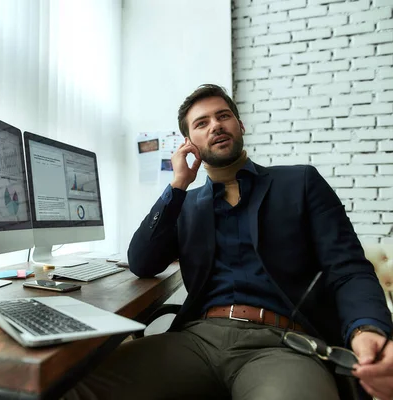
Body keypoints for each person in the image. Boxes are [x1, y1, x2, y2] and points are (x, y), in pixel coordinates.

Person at [64, 84, 393, 400]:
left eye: (223, 116)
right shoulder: (186, 205)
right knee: (70, 389)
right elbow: (141, 262)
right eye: (201, 123)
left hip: (283, 344)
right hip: (198, 340)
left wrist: (367, 330)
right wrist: (178, 185)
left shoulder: (300, 182)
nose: (215, 126)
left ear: (240, 124)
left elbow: (348, 269)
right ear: (188, 142)